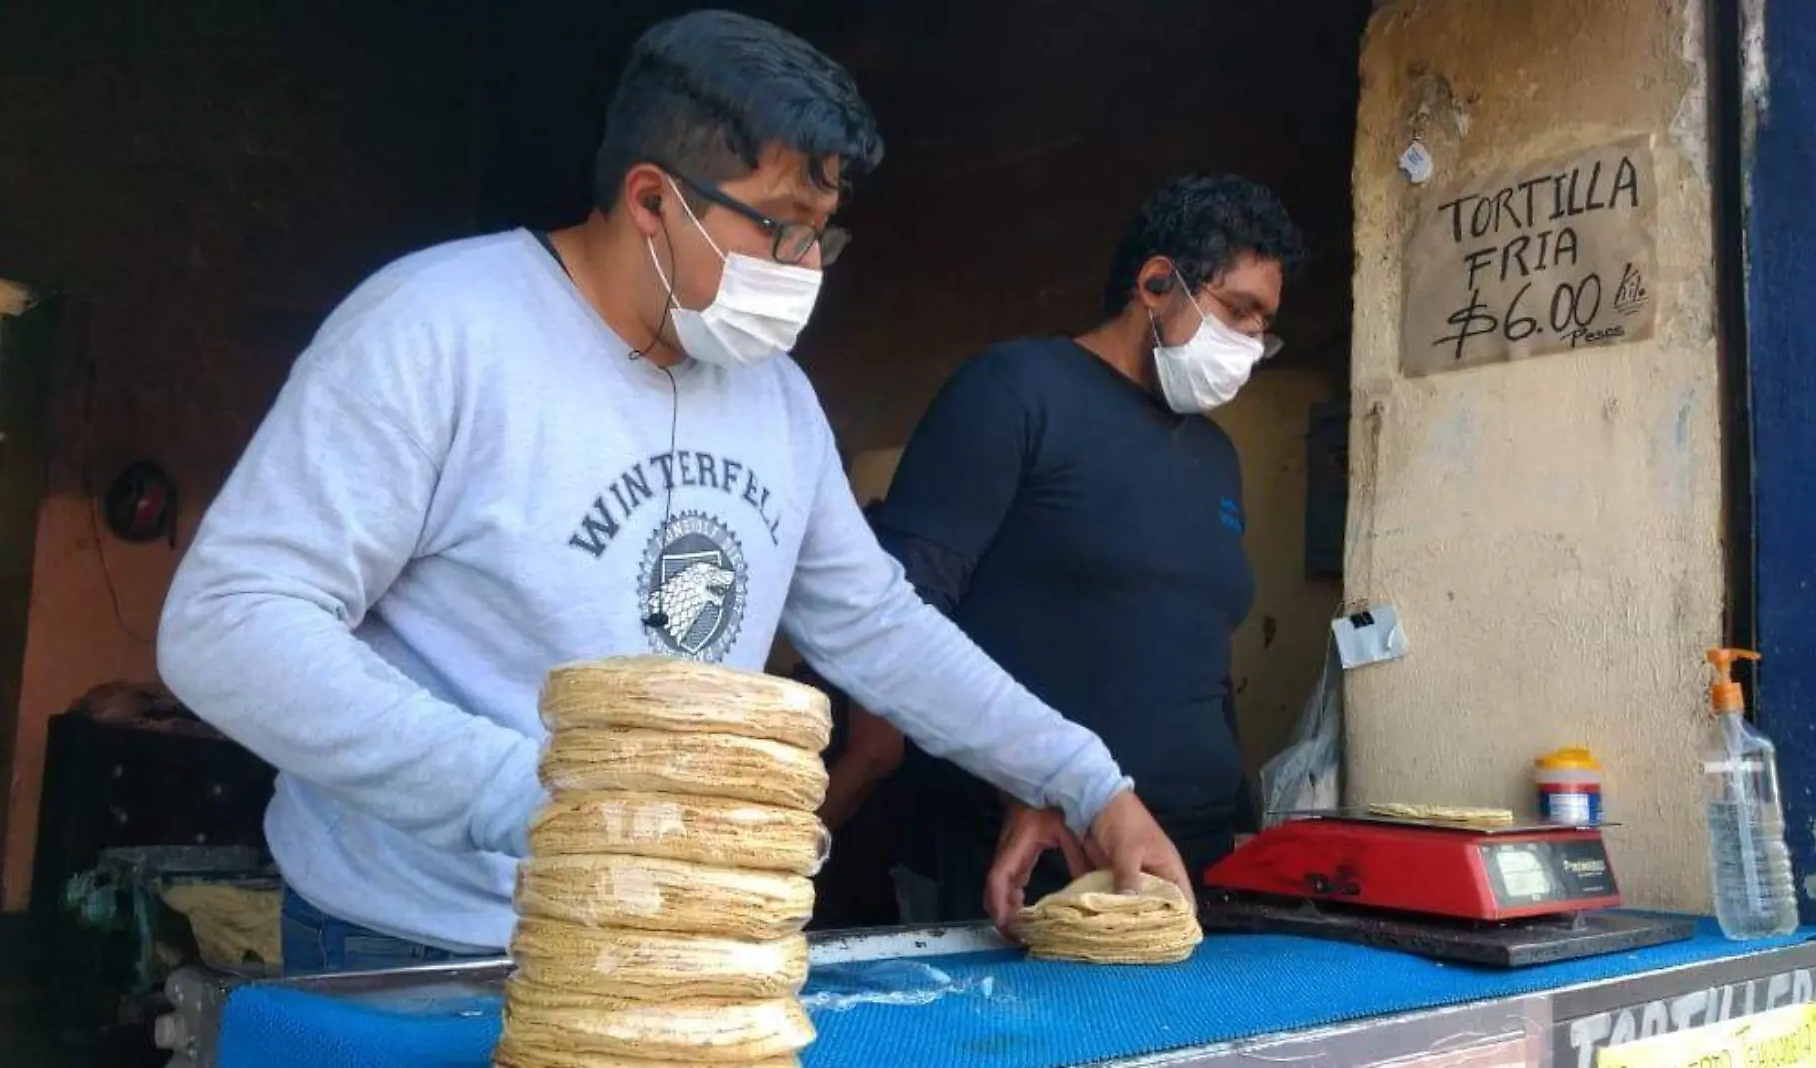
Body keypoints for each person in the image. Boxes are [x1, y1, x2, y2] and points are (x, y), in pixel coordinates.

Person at [156, 9, 1184, 974]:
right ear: (653, 200)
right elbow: (232, 624)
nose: (807, 267)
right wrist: (545, 799)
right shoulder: (439, 329)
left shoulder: (774, 398)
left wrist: (1083, 778)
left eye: (823, 233)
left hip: (678, 944)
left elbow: (875, 626)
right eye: (781, 227)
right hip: (424, 948)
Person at [865, 174, 1307, 931]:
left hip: (1187, 859)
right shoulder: (1014, 392)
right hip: (1036, 849)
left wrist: (1237, 825)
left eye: (1265, 328)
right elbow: (897, 619)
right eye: (1239, 312)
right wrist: (1026, 789)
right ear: (1156, 283)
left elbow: (1202, 657)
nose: (1251, 345)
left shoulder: (1216, 454)